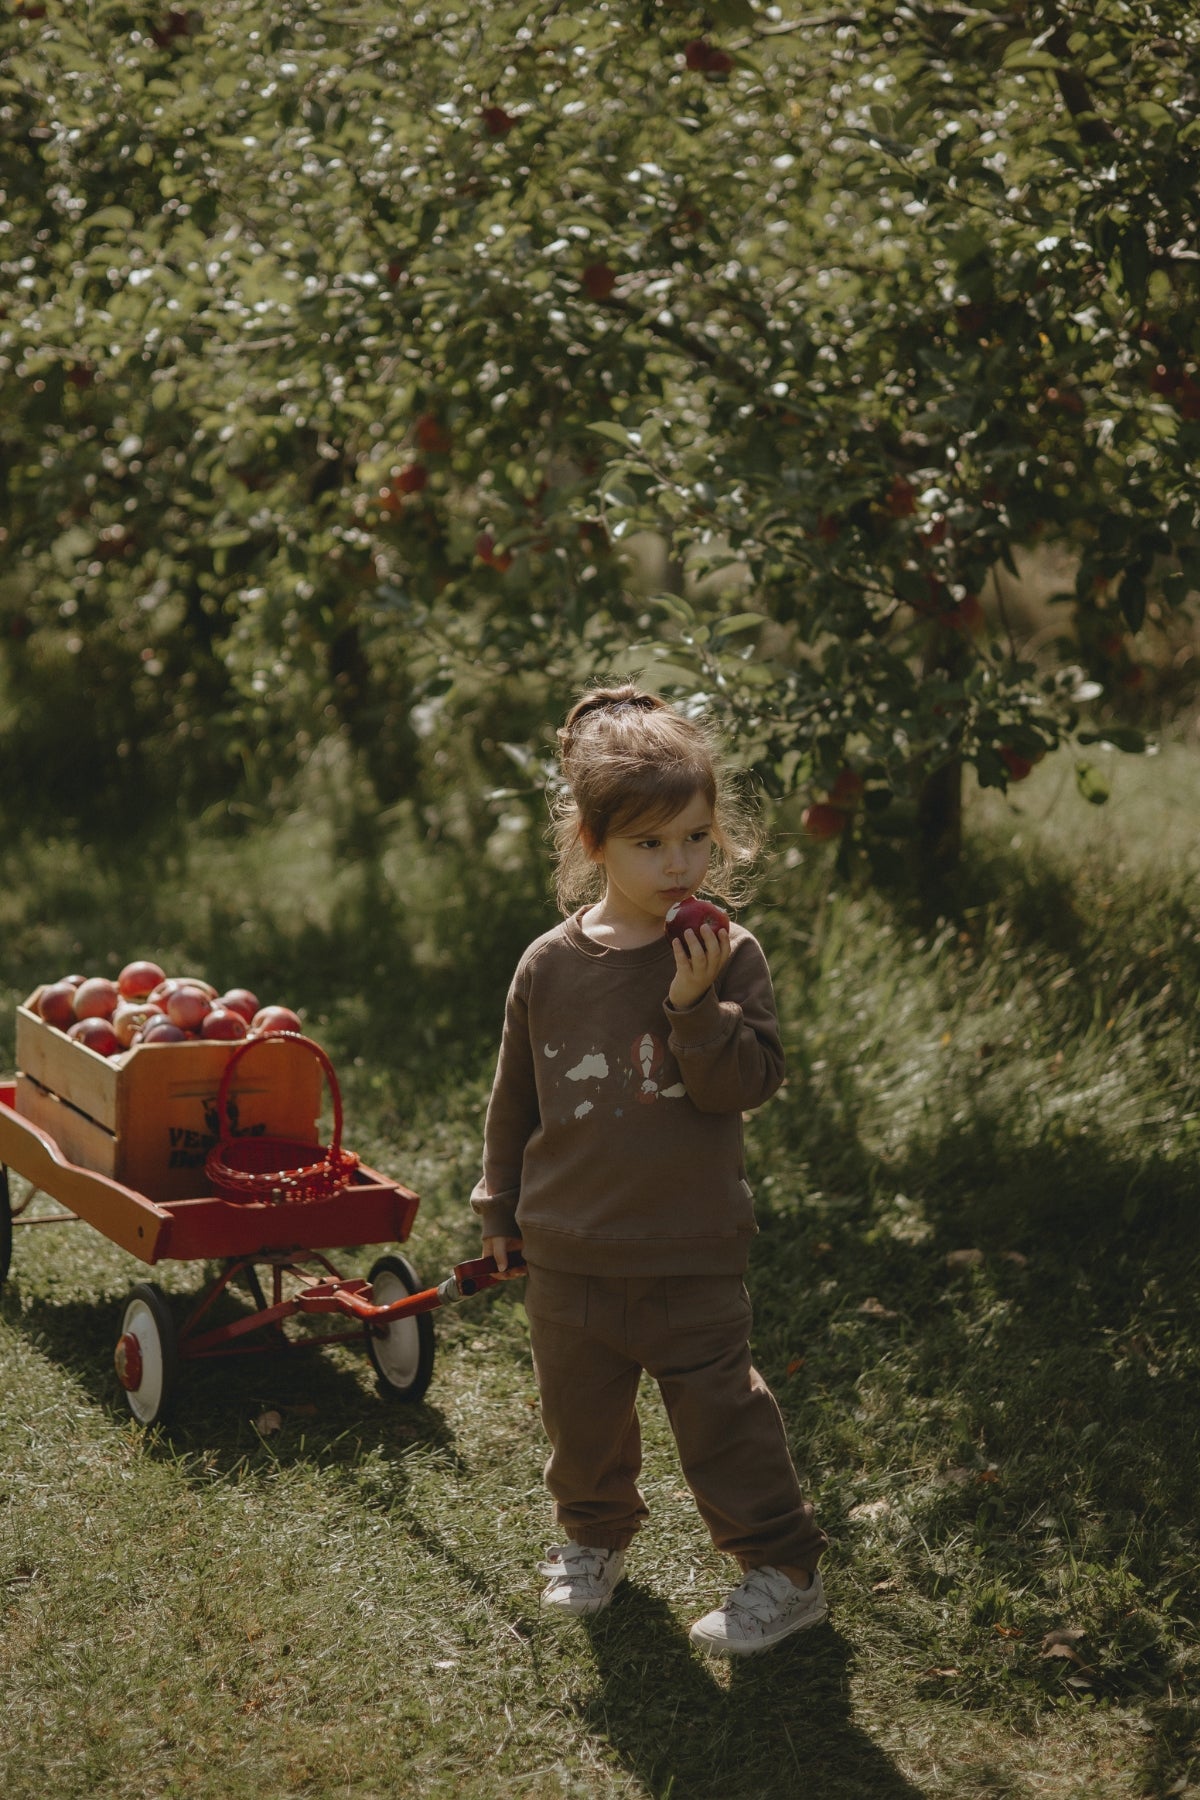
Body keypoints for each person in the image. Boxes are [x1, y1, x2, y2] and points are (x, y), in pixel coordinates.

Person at [471, 684, 828, 1656]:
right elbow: (516, 1098)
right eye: (650, 843)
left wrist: (693, 1006)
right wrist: (500, 1206)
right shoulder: (548, 965)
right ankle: (591, 1540)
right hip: (569, 1247)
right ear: (593, 842)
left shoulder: (725, 953)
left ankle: (783, 1569)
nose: (680, 864)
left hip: (689, 1245)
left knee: (723, 1417)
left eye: (697, 838)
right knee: (578, 1418)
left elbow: (742, 1087)